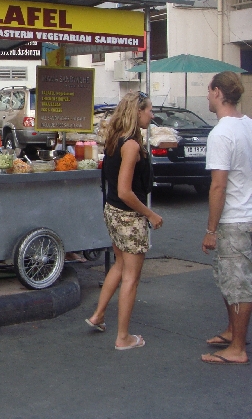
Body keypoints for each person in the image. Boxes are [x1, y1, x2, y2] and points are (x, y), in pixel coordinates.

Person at [86, 91, 163, 350]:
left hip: (112, 211)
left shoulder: (114, 139)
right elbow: (125, 191)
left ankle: (98, 315)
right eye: (149, 110)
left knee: (119, 265)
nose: (152, 115)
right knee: (131, 276)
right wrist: (150, 213)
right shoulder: (130, 145)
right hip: (128, 216)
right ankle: (123, 337)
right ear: (137, 112)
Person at [200, 71, 252, 365]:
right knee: (230, 277)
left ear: (218, 92)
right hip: (247, 213)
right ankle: (233, 331)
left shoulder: (221, 133)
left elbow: (218, 184)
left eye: (209, 90)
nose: (207, 95)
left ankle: (238, 348)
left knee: (238, 282)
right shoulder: (248, 125)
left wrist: (211, 229)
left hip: (234, 218)